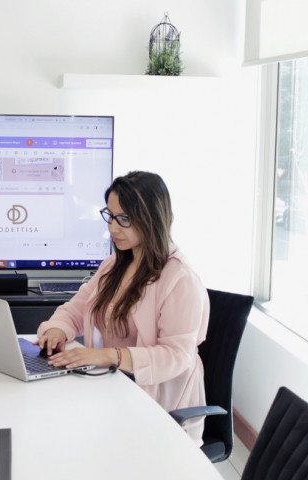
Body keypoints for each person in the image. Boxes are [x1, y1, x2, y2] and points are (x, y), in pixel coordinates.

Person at [36, 171, 211, 443]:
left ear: (151, 218)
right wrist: (56, 330)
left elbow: (177, 356)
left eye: (124, 219)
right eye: (110, 216)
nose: (113, 228)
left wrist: (107, 356)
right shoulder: (114, 265)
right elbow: (75, 310)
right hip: (111, 390)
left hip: (159, 408)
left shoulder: (180, 279)